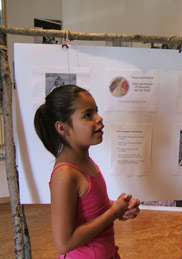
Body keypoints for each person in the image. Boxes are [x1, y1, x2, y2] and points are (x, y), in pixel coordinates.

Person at [34, 84, 140, 258]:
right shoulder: (65, 174)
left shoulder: (87, 162)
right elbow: (64, 243)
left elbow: (92, 210)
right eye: (87, 115)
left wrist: (119, 207)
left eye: (96, 111)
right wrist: (113, 213)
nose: (99, 119)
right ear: (62, 128)